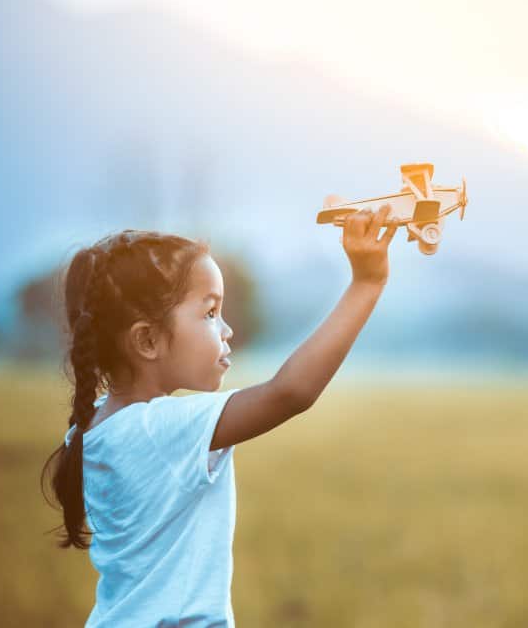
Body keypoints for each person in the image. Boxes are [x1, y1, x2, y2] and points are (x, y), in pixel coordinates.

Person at [41, 204, 398, 627]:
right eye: (210, 313)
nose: (226, 330)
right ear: (148, 340)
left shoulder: (97, 425)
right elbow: (290, 392)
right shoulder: (159, 429)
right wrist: (366, 283)